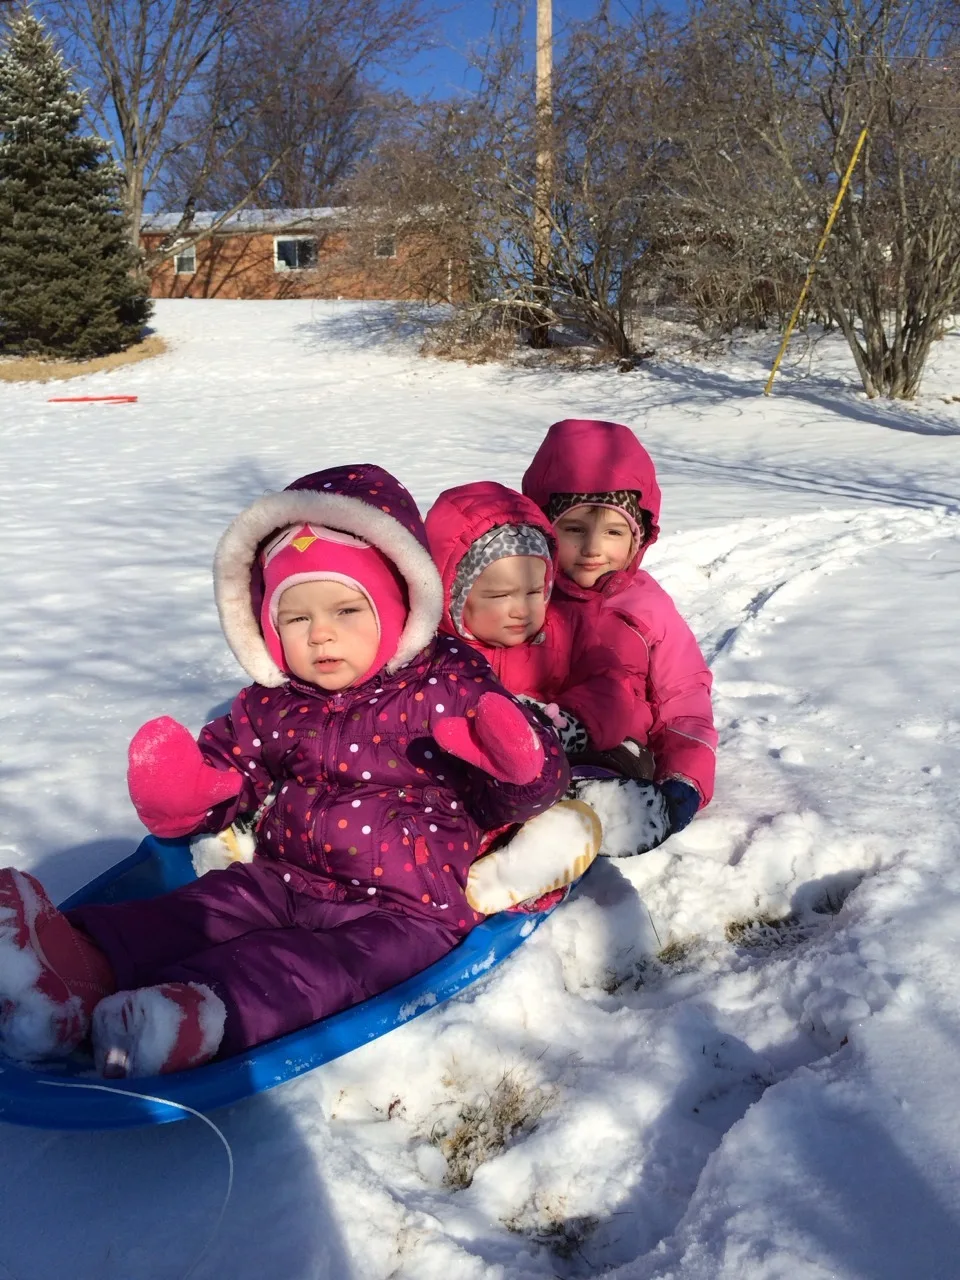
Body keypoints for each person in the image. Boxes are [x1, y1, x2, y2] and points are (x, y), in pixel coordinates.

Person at [0, 465, 568, 1078]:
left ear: (401, 604)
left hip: (405, 907)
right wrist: (189, 789)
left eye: (347, 609)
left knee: (307, 968)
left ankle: (185, 1017)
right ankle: (69, 968)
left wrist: (517, 765)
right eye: (296, 618)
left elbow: (518, 794)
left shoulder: (447, 687)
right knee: (202, 910)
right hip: (282, 876)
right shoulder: (274, 700)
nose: (321, 634)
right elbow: (231, 770)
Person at [522, 418, 717, 850]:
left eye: (613, 532)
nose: (593, 548)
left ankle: (604, 811)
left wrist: (686, 777)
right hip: (527, 742)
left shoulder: (646, 608)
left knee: (610, 762)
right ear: (544, 527)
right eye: (574, 529)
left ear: (638, 539)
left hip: (616, 752)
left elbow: (684, 699)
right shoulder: (521, 593)